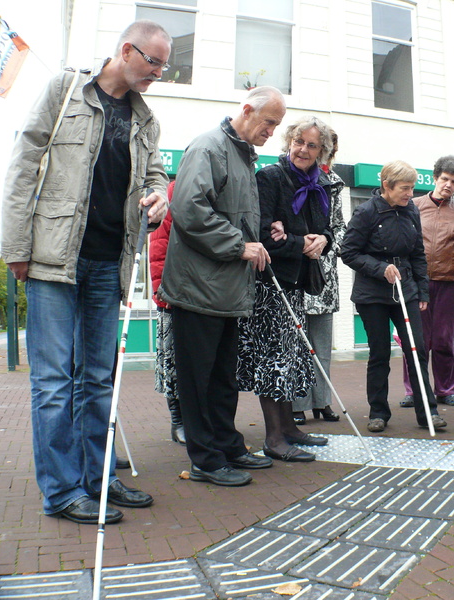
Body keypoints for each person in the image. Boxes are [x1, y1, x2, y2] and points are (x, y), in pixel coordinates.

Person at [1, 20, 171, 524]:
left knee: (98, 381)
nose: (159, 74)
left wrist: (160, 193)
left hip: (107, 265)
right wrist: (15, 246)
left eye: (165, 65)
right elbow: (23, 163)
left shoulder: (147, 119)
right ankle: (61, 491)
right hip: (53, 259)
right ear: (126, 50)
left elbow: (155, 172)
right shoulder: (65, 89)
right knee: (53, 382)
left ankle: (99, 480)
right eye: (153, 62)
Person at [158, 87, 286, 485]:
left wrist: (257, 240)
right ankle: (205, 460)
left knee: (222, 375)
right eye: (269, 123)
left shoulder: (243, 155)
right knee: (198, 377)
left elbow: (235, 217)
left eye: (276, 126)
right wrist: (240, 246)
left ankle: (226, 443)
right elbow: (188, 210)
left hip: (226, 288)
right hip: (199, 288)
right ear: (246, 111)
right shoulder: (209, 147)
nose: (272, 133)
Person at [237, 116, 336, 462]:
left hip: (296, 283)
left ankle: (290, 428)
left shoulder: (318, 184)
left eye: (311, 145)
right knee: (272, 360)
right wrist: (299, 242)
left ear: (321, 151)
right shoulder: (270, 177)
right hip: (269, 283)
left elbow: (326, 230)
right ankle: (274, 437)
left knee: (291, 358)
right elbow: (263, 235)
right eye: (298, 142)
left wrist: (321, 239)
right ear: (288, 143)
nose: (302, 150)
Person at [341, 160, 448, 433]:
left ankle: (428, 411)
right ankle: (378, 412)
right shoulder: (365, 212)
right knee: (379, 353)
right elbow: (348, 252)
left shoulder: (411, 210)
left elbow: (417, 254)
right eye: (404, 188)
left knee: (417, 350)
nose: (410, 194)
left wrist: (422, 290)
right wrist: (380, 268)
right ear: (386, 186)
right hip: (372, 295)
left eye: (412, 188)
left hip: (407, 291)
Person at [398, 156, 454, 410]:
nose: (449, 185)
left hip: (451, 281)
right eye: (445, 179)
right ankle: (413, 390)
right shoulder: (413, 205)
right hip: (418, 282)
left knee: (443, 339)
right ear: (435, 177)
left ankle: (445, 389)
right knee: (417, 340)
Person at [289, 130, 345, 425]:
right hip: (294, 274)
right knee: (297, 345)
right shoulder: (284, 177)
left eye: (321, 147)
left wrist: (326, 244)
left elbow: (340, 228)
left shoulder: (334, 184)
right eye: (305, 144)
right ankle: (296, 404)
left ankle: (321, 401)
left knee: (321, 346)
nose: (312, 151)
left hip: (323, 278)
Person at [150, 180, 185, 445]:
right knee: (171, 359)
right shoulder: (171, 194)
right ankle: (178, 421)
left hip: (197, 293)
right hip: (171, 295)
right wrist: (162, 289)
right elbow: (159, 247)